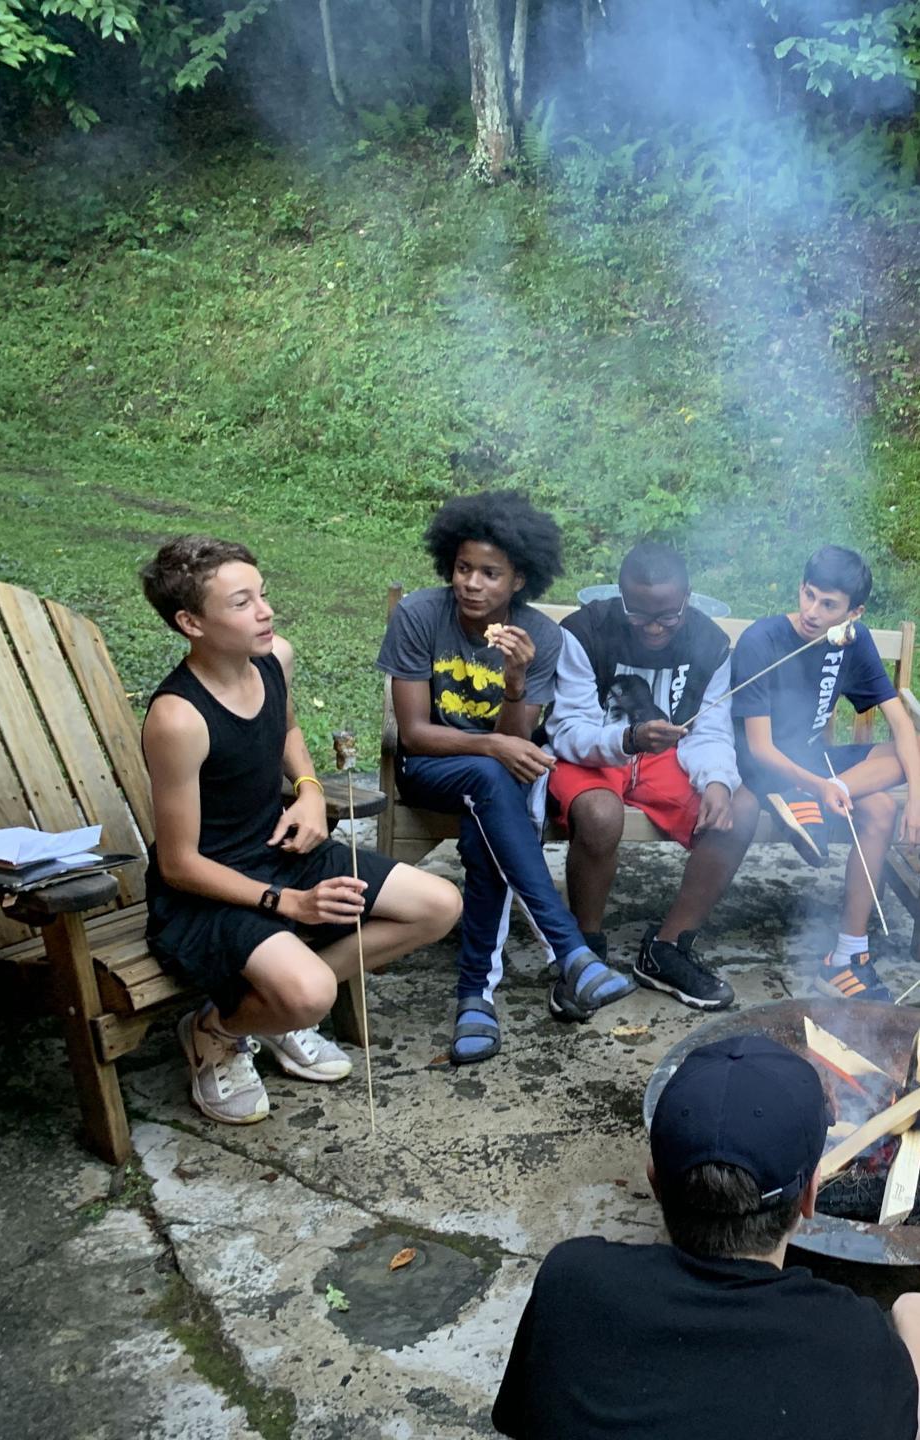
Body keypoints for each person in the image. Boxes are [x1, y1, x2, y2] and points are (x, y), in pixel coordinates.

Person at [140, 535, 461, 1125]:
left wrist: (310, 791)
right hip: (209, 889)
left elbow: (286, 730)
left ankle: (274, 1010)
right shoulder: (178, 718)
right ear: (190, 622)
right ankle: (216, 1031)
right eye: (241, 603)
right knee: (313, 991)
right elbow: (178, 864)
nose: (264, 611)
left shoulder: (273, 657)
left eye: (262, 595)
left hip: (281, 849)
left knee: (438, 906)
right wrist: (287, 902)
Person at [493, 1033, 920, 1440]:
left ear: (655, 1180)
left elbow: (521, 1420)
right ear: (810, 1196)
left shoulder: (570, 1283)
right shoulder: (855, 1346)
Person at [376, 491, 634, 1067]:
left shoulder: (538, 636)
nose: (473, 584)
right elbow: (415, 733)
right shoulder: (421, 615)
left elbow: (520, 736)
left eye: (490, 574)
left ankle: (476, 999)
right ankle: (569, 949)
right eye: (464, 569)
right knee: (492, 778)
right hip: (432, 770)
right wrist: (489, 743)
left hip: (496, 778)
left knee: (484, 834)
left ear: (519, 579)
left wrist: (515, 679)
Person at [545, 541, 759, 1011]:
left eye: (668, 616)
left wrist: (717, 782)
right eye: (640, 616)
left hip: (668, 756)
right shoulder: (585, 632)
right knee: (600, 815)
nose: (655, 629)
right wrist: (628, 739)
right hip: (597, 750)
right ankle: (583, 954)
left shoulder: (709, 643)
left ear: (687, 600)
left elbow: (710, 730)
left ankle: (667, 949)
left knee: (740, 809)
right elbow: (566, 729)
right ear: (621, 599)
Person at [731, 545, 920, 1003]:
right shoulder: (763, 640)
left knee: (890, 789)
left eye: (828, 605)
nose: (812, 612)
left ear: (855, 612)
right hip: (766, 771)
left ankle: (844, 959)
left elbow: (900, 721)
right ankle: (810, 794)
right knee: (874, 806)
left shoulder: (853, 641)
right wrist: (815, 783)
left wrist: (916, 797)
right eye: (808, 595)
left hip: (817, 774)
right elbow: (758, 748)